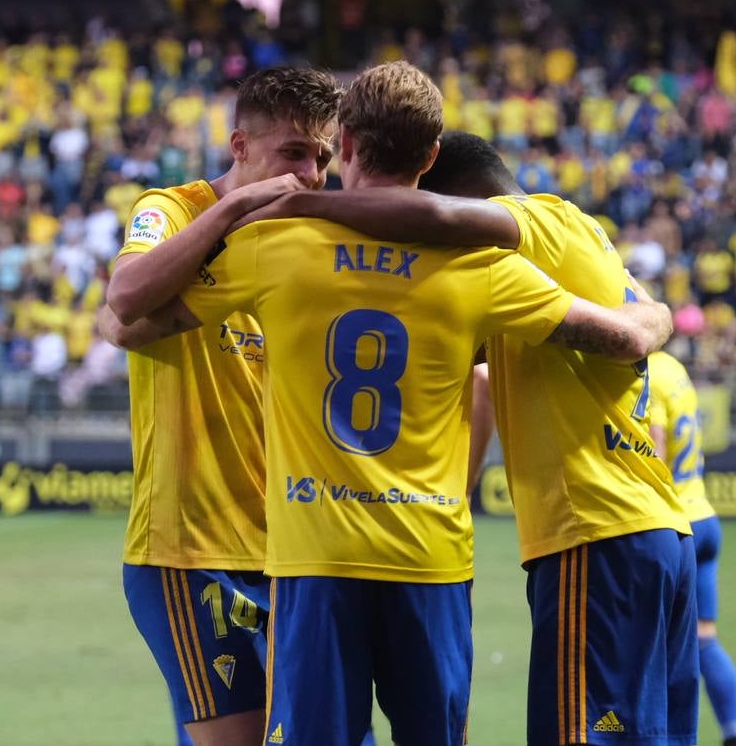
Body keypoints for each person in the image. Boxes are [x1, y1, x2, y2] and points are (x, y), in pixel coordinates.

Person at [108, 62, 672, 745]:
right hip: (428, 557)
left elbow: (129, 316)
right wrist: (655, 318)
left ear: (344, 145)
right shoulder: (483, 265)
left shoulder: (277, 246)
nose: (311, 174)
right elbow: (608, 340)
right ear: (429, 157)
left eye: (320, 156)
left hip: (314, 557)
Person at [246, 131, 697, 746]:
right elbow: (650, 319)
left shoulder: (530, 223)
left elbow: (429, 214)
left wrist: (304, 203)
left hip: (595, 527)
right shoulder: (579, 241)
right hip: (658, 529)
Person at [98, 67, 343, 746]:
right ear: (240, 147)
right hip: (190, 548)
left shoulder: (304, 241)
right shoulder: (172, 207)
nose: (310, 174)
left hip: (286, 551)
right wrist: (235, 209)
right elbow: (123, 300)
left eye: (321, 157)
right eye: (293, 153)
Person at [649, 350, 736, 746]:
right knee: (704, 639)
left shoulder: (648, 374)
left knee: (656, 649)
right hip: (705, 515)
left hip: (674, 523)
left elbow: (654, 456)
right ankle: (735, 733)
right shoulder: (674, 368)